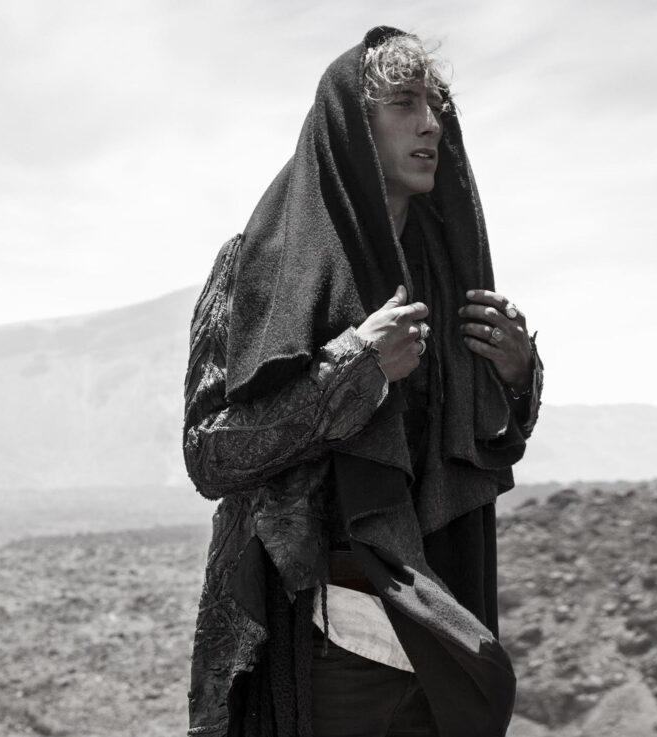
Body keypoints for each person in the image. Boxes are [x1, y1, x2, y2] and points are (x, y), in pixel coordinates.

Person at [183, 27, 543, 737]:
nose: (430, 124)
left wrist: (514, 374)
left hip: (436, 622)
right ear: (353, 125)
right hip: (322, 643)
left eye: (435, 106)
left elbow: (474, 449)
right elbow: (209, 453)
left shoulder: (448, 276)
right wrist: (355, 365)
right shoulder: (259, 266)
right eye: (404, 104)